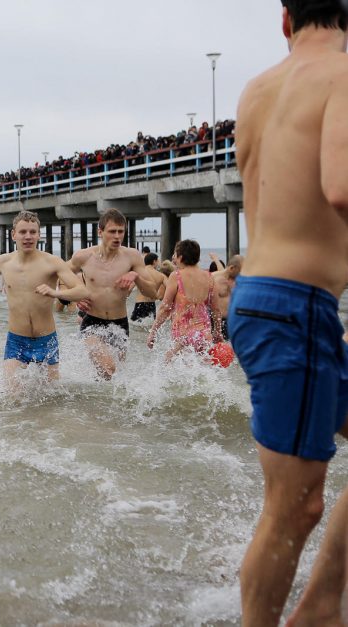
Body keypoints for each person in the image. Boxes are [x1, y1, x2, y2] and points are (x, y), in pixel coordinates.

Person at [230, 2, 348, 623]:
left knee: (293, 503)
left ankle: (323, 602)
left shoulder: (256, 90)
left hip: (263, 300)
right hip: (295, 307)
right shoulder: (341, 75)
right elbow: (340, 186)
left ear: (285, 20)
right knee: (294, 507)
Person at [0, 211, 88, 381]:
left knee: (52, 399)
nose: (28, 236)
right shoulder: (4, 261)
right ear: (13, 234)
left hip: (46, 339)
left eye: (32, 232)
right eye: (23, 232)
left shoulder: (52, 262)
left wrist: (55, 292)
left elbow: (81, 290)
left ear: (39, 235)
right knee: (12, 397)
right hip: (16, 340)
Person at [68, 209, 158, 379]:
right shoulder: (84, 256)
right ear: (100, 232)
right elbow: (60, 275)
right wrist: (77, 293)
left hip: (120, 324)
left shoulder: (132, 257)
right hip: (92, 322)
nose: (117, 236)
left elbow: (153, 292)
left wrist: (136, 277)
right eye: (112, 231)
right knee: (109, 369)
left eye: (121, 231)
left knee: (114, 382)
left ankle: (93, 403)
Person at [147, 240, 217, 361]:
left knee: (170, 364)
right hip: (204, 333)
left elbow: (165, 307)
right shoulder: (209, 277)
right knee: (204, 368)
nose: (174, 258)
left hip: (183, 335)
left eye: (175, 255)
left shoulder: (176, 276)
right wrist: (218, 332)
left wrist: (153, 331)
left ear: (181, 257)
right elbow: (215, 309)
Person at [210, 255, 243, 341]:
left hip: (233, 321)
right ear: (231, 268)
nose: (242, 274)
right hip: (216, 321)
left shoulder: (240, 281)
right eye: (240, 271)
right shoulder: (214, 278)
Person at [130, 253, 167, 322]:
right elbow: (169, 287)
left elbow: (130, 288)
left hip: (139, 304)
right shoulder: (161, 276)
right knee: (149, 329)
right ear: (154, 261)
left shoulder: (139, 273)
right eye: (158, 261)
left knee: (136, 328)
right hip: (151, 305)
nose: (158, 263)